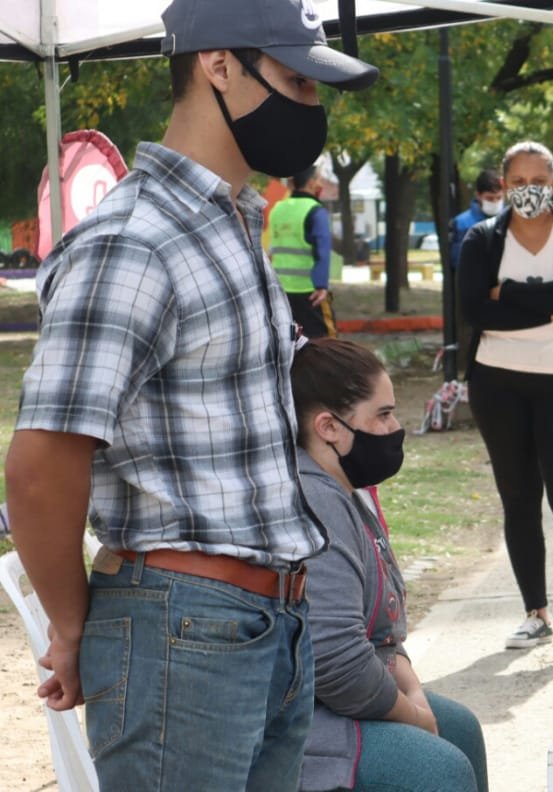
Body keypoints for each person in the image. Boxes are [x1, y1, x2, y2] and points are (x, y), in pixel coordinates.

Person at [2, 0, 378, 788]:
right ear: (218, 66)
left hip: (271, 623)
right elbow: (41, 463)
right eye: (295, 83)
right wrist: (71, 626)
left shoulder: (235, 222)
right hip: (183, 628)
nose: (312, 108)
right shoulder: (133, 242)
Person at [292, 338, 488, 792]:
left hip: (343, 697)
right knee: (438, 768)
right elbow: (336, 661)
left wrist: (415, 691)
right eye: (383, 414)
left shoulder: (344, 490)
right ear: (329, 427)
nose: (397, 427)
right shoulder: (316, 500)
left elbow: (383, 631)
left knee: (459, 726)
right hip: (307, 718)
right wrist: (411, 714)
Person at [458, 141, 553, 650]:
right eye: (516, 182)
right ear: (503, 186)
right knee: (519, 501)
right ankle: (535, 613)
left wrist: (510, 293)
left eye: (537, 179)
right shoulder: (481, 239)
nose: (527, 190)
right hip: (497, 381)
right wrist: (546, 304)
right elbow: (475, 309)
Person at [268, 163, 339, 338]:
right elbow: (322, 251)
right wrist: (322, 286)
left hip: (281, 292)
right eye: (319, 178)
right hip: (310, 292)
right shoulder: (316, 211)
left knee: (291, 342)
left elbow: (272, 249)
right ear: (311, 182)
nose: (321, 182)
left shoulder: (277, 209)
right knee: (326, 343)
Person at [449, 169, 503, 269]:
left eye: (499, 198)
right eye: (489, 198)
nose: (495, 202)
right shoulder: (461, 223)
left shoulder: (512, 218)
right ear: (478, 195)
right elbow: (457, 260)